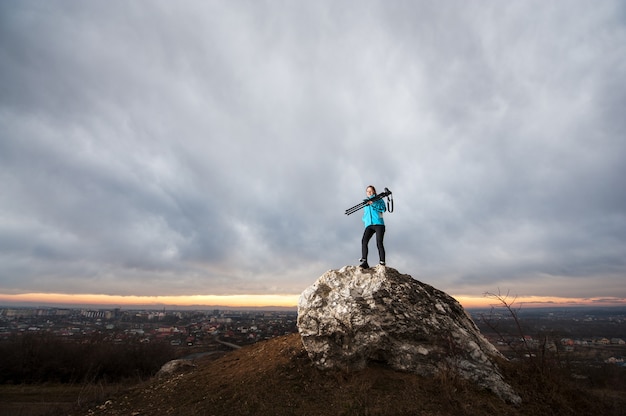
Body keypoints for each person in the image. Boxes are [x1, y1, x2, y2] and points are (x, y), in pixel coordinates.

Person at [359, 185, 386, 268]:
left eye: (370, 191)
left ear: (374, 191)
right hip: (369, 225)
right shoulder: (365, 203)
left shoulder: (379, 199)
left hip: (379, 224)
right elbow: (365, 214)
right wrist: (364, 220)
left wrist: (373, 203)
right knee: (364, 241)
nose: (369, 192)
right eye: (367, 191)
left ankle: (382, 262)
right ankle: (364, 261)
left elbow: (383, 209)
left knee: (379, 242)